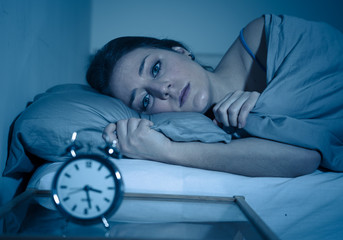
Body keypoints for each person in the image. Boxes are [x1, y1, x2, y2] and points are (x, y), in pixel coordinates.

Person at [86, 14, 340, 177]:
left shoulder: (264, 35)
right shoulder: (206, 132)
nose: (161, 89)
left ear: (181, 51)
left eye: (155, 68)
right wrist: (166, 150)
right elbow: (304, 159)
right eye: (145, 100)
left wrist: (261, 106)